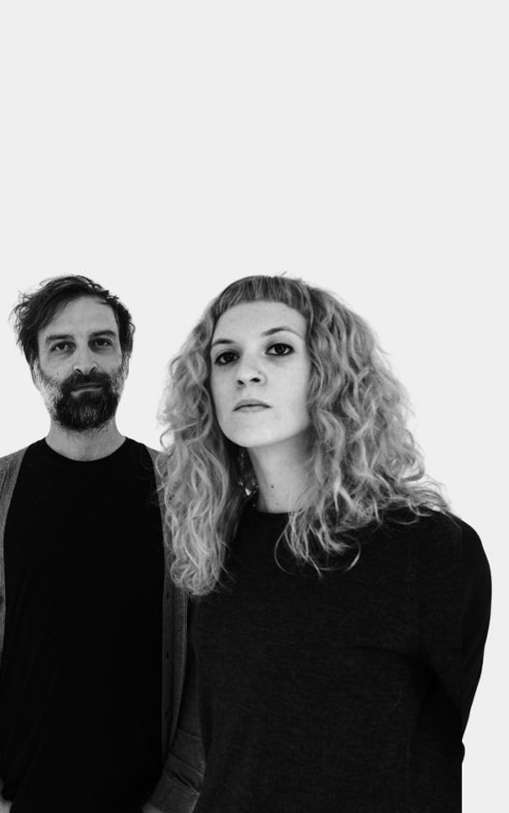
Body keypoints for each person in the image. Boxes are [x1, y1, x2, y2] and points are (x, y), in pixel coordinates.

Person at [157, 274, 491, 813]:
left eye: (278, 349)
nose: (246, 372)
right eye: (226, 357)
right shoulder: (213, 548)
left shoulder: (428, 550)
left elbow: (444, 742)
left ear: (328, 373)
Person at [0, 275, 203, 813]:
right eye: (62, 346)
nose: (85, 363)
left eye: (101, 343)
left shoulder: (182, 491)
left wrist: (175, 796)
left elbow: (211, 657)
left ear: (125, 358)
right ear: (35, 368)